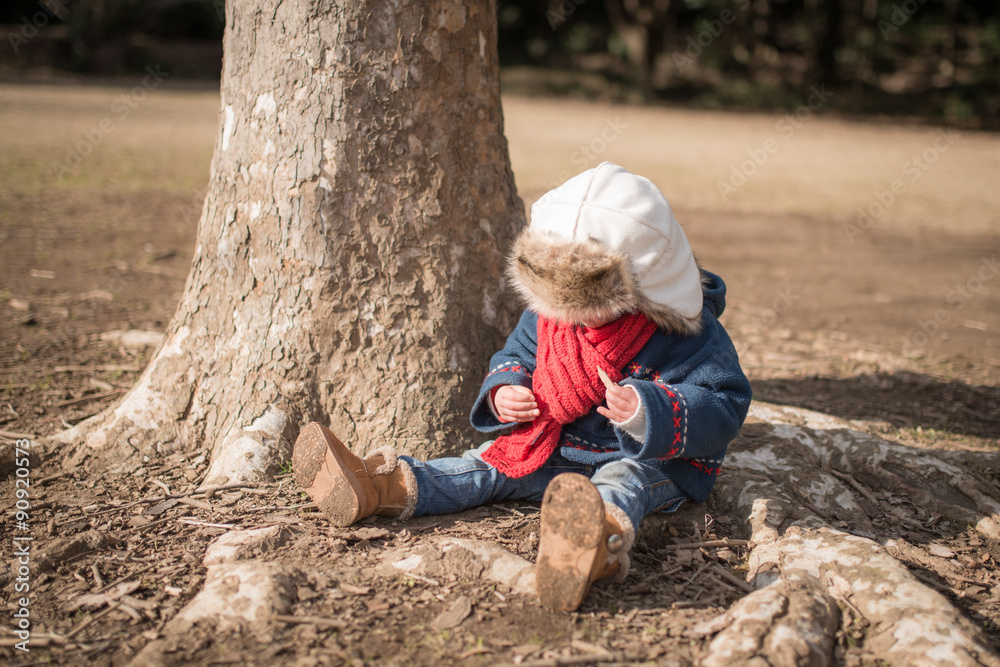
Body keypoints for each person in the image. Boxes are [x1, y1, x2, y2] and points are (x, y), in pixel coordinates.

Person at [293, 162, 752, 612]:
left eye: (595, 304)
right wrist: (505, 389)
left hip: (648, 460)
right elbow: (517, 354)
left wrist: (648, 409)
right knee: (486, 466)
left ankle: (593, 545)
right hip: (553, 447)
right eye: (562, 303)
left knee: (622, 481)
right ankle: (380, 486)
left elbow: (725, 401)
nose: (575, 317)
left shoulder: (689, 334)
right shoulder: (548, 316)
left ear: (647, 284)